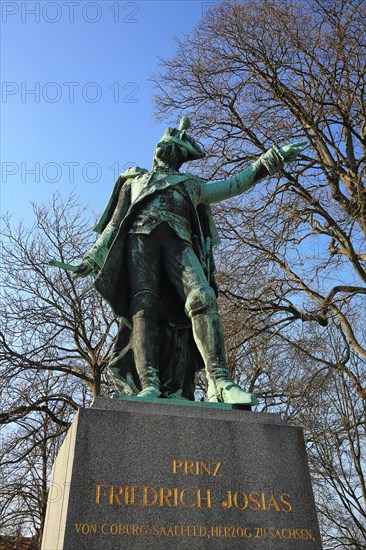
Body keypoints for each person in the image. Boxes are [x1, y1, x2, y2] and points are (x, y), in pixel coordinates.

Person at [74, 118, 305, 405]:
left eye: (171, 146)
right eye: (163, 144)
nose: (164, 148)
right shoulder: (134, 181)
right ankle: (150, 385)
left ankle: (219, 381)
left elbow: (234, 185)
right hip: (138, 240)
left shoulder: (190, 186)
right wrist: (93, 258)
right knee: (143, 306)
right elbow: (114, 225)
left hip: (178, 243)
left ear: (180, 156)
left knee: (203, 296)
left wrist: (269, 161)